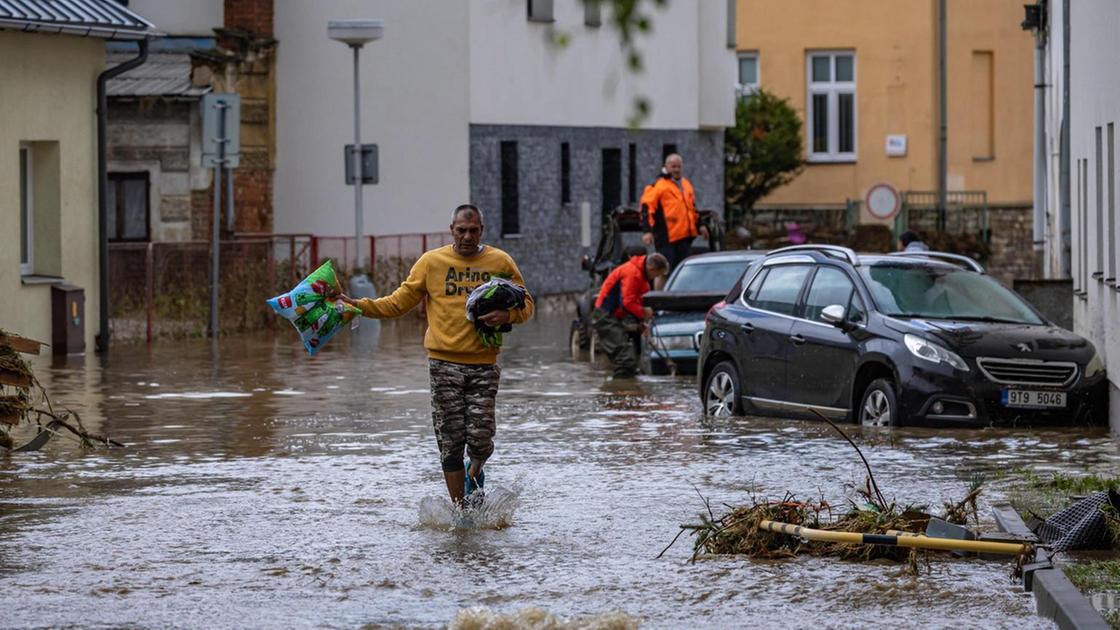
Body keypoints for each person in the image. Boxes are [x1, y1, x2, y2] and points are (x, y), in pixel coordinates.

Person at [338, 204, 534, 507]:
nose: (467, 236)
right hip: (443, 364)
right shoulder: (432, 262)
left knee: (481, 441)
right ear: (451, 229)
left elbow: (527, 305)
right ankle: (461, 513)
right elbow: (397, 303)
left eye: (473, 230)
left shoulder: (500, 261)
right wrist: (357, 305)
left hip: (484, 363)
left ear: (482, 229)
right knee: (451, 444)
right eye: (461, 230)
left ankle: (475, 473)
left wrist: (507, 314)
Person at [590, 252, 670, 378]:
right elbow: (628, 302)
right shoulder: (632, 273)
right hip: (605, 316)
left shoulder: (642, 276)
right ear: (652, 269)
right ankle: (620, 391)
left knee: (632, 358)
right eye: (657, 275)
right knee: (626, 358)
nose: (656, 278)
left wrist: (641, 323)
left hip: (616, 316)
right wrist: (643, 313)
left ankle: (629, 388)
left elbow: (635, 301)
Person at [639, 153, 710, 276]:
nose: (676, 170)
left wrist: (700, 225)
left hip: (684, 236)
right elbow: (646, 208)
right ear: (666, 167)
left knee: (683, 270)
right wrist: (647, 231)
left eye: (679, 166)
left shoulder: (685, 184)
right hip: (666, 236)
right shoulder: (658, 186)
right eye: (673, 166)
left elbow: (692, 207)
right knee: (663, 270)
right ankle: (661, 295)